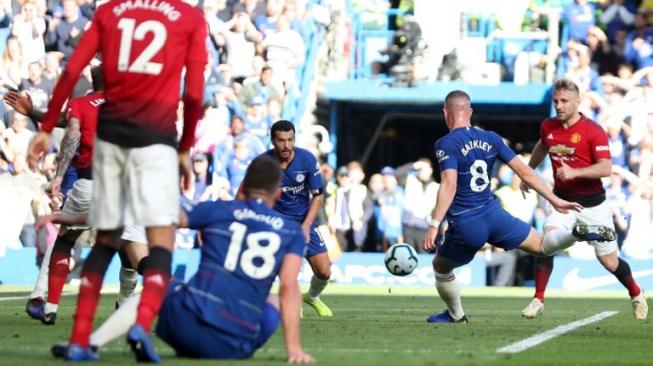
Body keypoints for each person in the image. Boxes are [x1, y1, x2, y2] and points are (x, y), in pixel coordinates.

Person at [26, 0, 207, 361]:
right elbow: (194, 91)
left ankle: (80, 341)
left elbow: (73, 68)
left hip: (111, 140)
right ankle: (141, 324)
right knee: (158, 246)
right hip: (155, 141)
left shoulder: (110, 12)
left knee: (106, 243)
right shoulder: (189, 17)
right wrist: (185, 148)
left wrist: (46, 128)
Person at [51, 155, 315, 364]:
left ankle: (91, 342)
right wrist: (295, 349)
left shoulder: (217, 210)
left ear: (243, 186)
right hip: (230, 346)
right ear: (277, 194)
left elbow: (151, 214)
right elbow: (289, 288)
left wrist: (73, 218)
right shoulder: (290, 231)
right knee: (272, 301)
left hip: (182, 327)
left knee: (162, 284)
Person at [421, 90, 583, 323]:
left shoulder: (446, 143)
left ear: (446, 113)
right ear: (470, 112)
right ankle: (575, 235)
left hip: (468, 223)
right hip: (494, 215)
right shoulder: (492, 138)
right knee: (542, 246)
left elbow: (449, 184)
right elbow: (525, 171)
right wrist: (554, 198)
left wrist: (434, 224)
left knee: (441, 266)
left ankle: (456, 316)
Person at [6, 67, 148, 326]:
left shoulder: (82, 104)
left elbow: (71, 131)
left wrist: (59, 175)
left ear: (91, 84)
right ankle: (156, 287)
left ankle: (48, 307)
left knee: (66, 237)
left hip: (90, 183)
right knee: (135, 255)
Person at [520, 79, 648, 320]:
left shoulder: (593, 130)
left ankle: (636, 292)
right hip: (561, 201)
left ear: (577, 103)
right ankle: (538, 298)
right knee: (545, 245)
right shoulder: (548, 126)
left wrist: (575, 172)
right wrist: (529, 172)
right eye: (556, 101)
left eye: (564, 101)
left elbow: (606, 168)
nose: (559, 105)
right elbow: (542, 145)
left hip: (593, 206)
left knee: (609, 262)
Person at [252, 120, 333, 317]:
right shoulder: (264, 163)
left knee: (324, 271)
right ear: (273, 141)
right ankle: (292, 300)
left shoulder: (306, 160)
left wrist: (306, 226)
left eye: (290, 140)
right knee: (289, 266)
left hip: (304, 220)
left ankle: (312, 297)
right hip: (277, 222)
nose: (286, 145)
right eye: (281, 140)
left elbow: (317, 196)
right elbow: (243, 195)